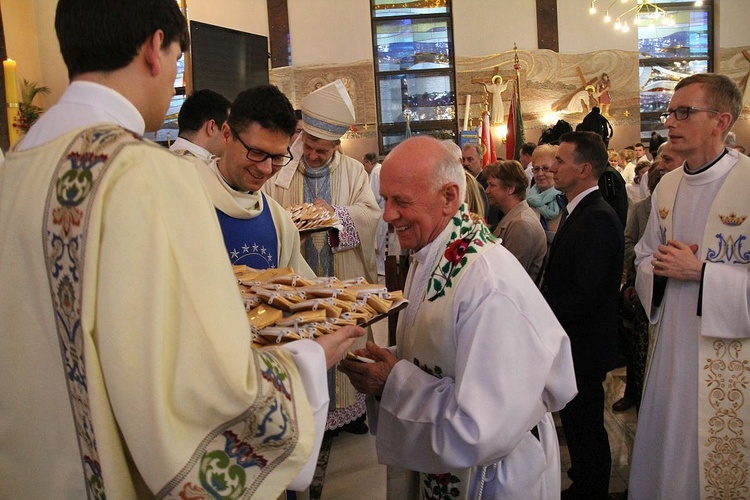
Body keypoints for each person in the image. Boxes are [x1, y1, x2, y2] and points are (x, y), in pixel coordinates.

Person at [0, 1, 364, 498]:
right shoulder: (147, 176)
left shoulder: (14, 172)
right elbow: (199, 382)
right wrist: (306, 363)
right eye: (176, 59)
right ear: (154, 48)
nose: (173, 72)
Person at [339, 136, 577, 499]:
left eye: (400, 201)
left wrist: (392, 381)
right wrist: (387, 359)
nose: (386, 215)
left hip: (494, 476)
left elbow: (482, 426)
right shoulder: (436, 252)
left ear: (449, 197)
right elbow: (444, 352)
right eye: (385, 199)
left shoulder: (487, 284)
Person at [629, 73, 749, 499]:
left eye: (684, 112)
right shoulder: (671, 184)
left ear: (721, 121)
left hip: (729, 359)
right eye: (670, 112)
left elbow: (691, 268)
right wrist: (657, 269)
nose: (671, 121)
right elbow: (645, 255)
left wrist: (701, 273)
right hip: (671, 347)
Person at [264, 79, 380, 435]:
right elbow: (264, 207)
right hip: (296, 277)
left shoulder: (352, 171)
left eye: (322, 150)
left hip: (339, 272)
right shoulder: (279, 170)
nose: (313, 155)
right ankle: (308, 412)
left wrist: (336, 215)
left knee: (343, 338)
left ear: (336, 145)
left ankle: (347, 411)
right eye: (309, 146)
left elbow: (370, 215)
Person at [540, 131, 624, 499]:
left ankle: (591, 490)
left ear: (585, 169)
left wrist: (541, 314)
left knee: (587, 422)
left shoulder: (597, 218)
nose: (552, 167)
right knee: (577, 421)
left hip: (584, 343)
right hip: (575, 339)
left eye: (560, 161)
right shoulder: (579, 209)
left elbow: (586, 292)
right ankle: (583, 480)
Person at [189, 85, 314, 275]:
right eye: (256, 152)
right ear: (226, 134)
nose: (266, 168)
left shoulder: (279, 221)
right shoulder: (185, 199)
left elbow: (295, 291)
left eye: (278, 157)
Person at [485, 160, 547, 282]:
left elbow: (509, 278)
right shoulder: (514, 218)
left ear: (510, 189)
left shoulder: (521, 224)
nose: (487, 190)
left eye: (492, 185)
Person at [169, 88, 231, 160]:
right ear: (211, 127)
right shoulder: (199, 167)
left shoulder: (161, 158)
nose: (229, 140)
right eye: (226, 132)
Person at [364, 152, 387, 278]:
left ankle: (381, 269)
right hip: (383, 208)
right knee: (382, 239)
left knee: (379, 240)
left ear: (368, 162)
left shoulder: (375, 172)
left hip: (380, 210)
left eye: (364, 164)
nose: (365, 168)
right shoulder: (381, 168)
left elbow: (373, 196)